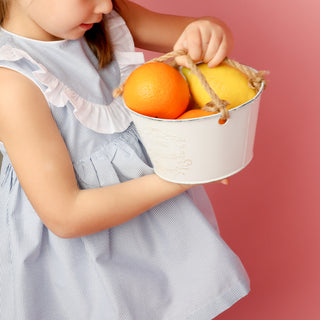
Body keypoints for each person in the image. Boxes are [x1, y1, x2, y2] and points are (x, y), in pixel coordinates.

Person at [0, 0, 250, 319]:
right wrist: (181, 174)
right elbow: (66, 214)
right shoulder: (12, 82)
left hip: (153, 225)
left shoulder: (105, 16)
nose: (105, 4)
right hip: (80, 260)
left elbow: (196, 36)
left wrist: (210, 31)